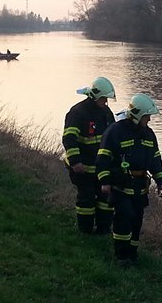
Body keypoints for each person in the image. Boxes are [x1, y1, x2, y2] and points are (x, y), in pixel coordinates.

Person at [96, 93, 162, 265]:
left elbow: (155, 159)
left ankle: (133, 254)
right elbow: (103, 157)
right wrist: (105, 181)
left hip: (140, 188)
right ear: (137, 115)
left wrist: (161, 181)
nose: (149, 120)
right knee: (124, 217)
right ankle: (121, 256)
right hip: (120, 187)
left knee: (137, 220)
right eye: (146, 116)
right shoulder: (116, 131)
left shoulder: (149, 135)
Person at [62, 77, 116, 234]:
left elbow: (113, 137)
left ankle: (103, 230)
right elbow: (69, 139)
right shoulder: (77, 112)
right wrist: (75, 162)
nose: (105, 102)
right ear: (94, 96)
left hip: (101, 168)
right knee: (86, 199)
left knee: (105, 200)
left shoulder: (106, 113)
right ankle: (85, 231)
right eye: (103, 98)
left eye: (106, 99)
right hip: (82, 167)